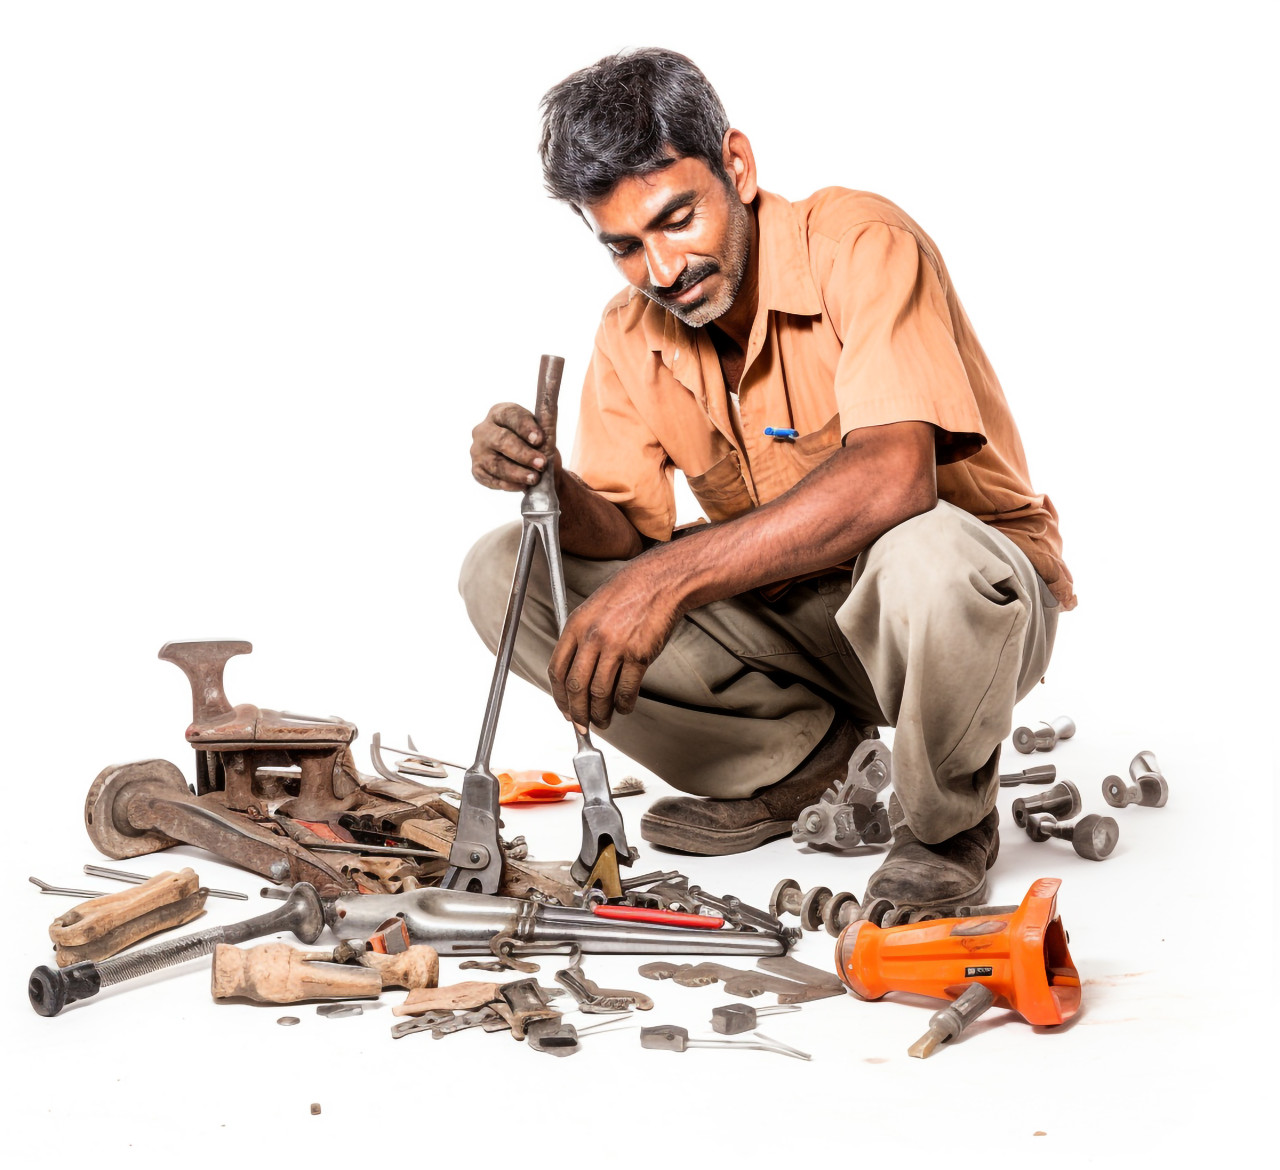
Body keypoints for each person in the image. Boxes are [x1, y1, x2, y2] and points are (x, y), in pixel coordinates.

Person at [460, 48, 1074, 911]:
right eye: (626, 248)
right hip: (798, 623)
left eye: (678, 219)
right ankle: (802, 761)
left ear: (736, 167)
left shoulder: (862, 244)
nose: (663, 271)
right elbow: (624, 542)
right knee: (504, 570)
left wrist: (668, 578)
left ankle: (945, 824)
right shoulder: (631, 332)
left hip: (963, 616)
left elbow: (897, 478)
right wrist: (549, 485)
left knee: (926, 550)